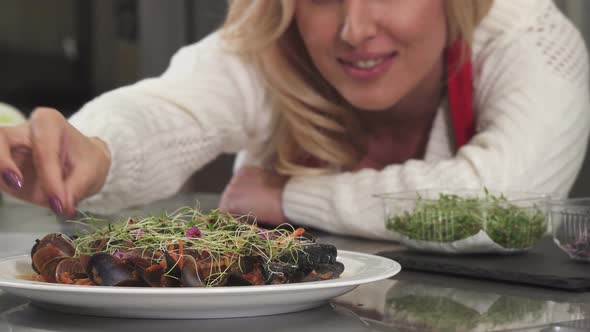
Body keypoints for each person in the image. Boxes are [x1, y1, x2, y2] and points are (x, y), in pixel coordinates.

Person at [0, 0, 588, 240]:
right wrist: (96, 151)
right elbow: (164, 111)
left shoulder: (527, 35)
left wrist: (290, 197)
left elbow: (515, 205)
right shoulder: (275, 40)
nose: (354, 30)